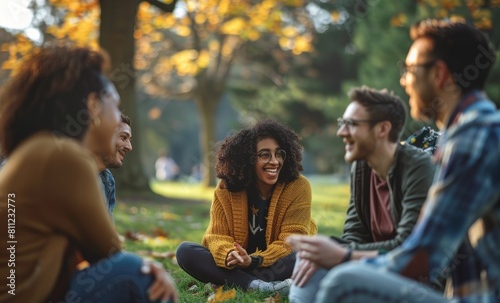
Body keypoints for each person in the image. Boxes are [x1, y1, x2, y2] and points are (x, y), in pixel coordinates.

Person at [313, 19, 500, 302]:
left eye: (410, 70)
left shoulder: (474, 138)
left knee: (344, 283)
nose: (404, 80)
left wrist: (344, 257)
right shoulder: (471, 131)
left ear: (439, 74)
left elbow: (422, 258)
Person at [0, 44, 177, 303]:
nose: (118, 119)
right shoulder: (65, 156)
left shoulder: (42, 148)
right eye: (115, 107)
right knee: (136, 273)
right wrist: (148, 268)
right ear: (93, 106)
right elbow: (109, 253)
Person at [286, 87, 436, 303]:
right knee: (310, 256)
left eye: (352, 124)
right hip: (371, 267)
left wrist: (341, 255)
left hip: (414, 279)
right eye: (342, 123)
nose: (341, 132)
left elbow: (407, 247)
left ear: (382, 129)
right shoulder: (362, 166)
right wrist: (326, 252)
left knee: (341, 275)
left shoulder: (419, 168)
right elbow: (354, 232)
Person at [176, 119, 317, 296]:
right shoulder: (226, 188)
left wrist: (254, 261)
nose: (274, 161)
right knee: (185, 251)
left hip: (276, 263)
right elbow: (215, 236)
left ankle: (239, 282)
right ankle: (261, 285)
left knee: (306, 254)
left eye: (279, 154)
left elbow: (293, 240)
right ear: (248, 159)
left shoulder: (298, 186)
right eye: (265, 155)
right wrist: (228, 255)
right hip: (238, 266)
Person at [99, 113, 133, 217]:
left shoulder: (107, 179)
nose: (129, 147)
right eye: (123, 138)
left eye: (129, 140)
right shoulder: (73, 174)